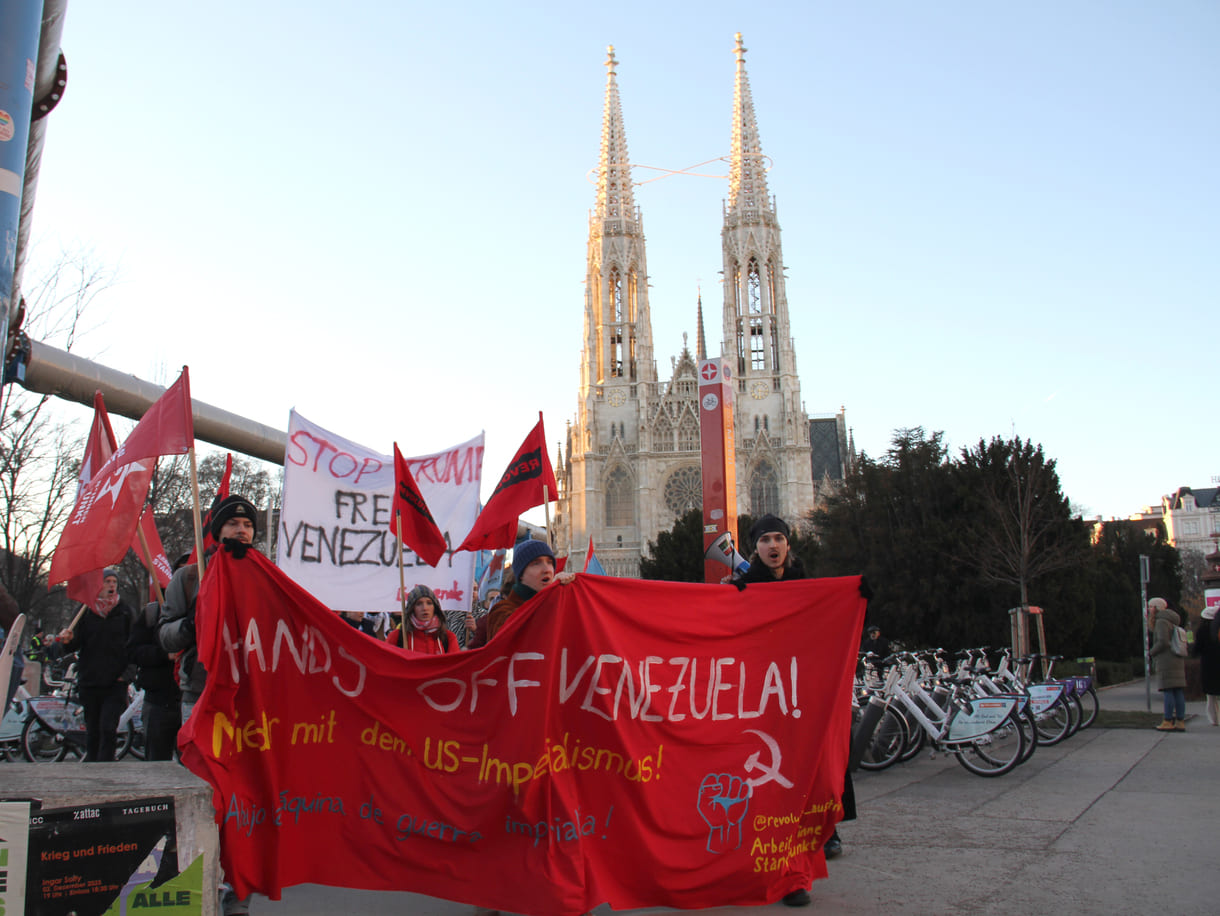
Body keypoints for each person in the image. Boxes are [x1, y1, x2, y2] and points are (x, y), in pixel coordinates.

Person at [731, 514, 855, 908]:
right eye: (765, 539)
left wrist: (857, 596)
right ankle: (786, 869)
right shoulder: (743, 586)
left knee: (812, 764)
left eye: (778, 538)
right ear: (755, 547)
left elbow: (831, 613)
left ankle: (820, 834)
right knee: (774, 778)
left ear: (788, 544)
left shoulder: (807, 582)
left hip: (804, 691)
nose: (772, 545)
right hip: (766, 695)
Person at [158, 494, 259, 916]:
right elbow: (165, 636)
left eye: (248, 525)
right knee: (204, 800)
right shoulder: (188, 578)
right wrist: (197, 617)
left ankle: (237, 898)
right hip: (200, 701)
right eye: (233, 523)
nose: (241, 530)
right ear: (217, 530)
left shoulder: (265, 576)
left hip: (251, 708)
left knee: (245, 804)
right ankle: (196, 893)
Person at [51, 568, 136, 762]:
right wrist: (67, 641)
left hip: (115, 681)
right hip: (90, 680)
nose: (111, 585)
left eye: (114, 581)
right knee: (93, 730)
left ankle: (106, 767)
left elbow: (134, 643)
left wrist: (128, 673)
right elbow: (74, 644)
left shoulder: (124, 611)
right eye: (107, 581)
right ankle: (91, 768)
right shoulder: (84, 611)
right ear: (99, 585)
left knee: (108, 727)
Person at [128, 558, 187, 761]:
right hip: (160, 703)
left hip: (194, 703)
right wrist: (164, 654)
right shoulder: (153, 613)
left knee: (193, 771)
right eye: (182, 573)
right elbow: (134, 652)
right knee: (157, 765)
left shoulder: (211, 609)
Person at [484, 539, 573, 642]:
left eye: (549, 562)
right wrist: (551, 594)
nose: (547, 569)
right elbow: (524, 632)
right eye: (536, 563)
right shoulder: (501, 611)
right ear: (521, 575)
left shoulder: (560, 603)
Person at [1147, 597, 1187, 731]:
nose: (1148, 609)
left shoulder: (1161, 621)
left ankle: (1168, 720)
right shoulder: (1171, 620)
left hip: (1166, 660)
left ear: (1156, 608)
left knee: (1168, 690)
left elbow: (1163, 641)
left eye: (1150, 606)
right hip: (1176, 658)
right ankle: (1180, 721)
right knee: (1178, 690)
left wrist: (1151, 652)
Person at [387, 585, 459, 654]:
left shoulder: (448, 638)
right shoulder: (397, 637)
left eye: (429, 603)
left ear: (435, 607)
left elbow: (455, 664)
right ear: (412, 608)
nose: (425, 608)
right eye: (419, 604)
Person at [1191, 605, 1220, 726]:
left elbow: (1197, 649)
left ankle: (1214, 719)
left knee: (1211, 695)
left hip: (1208, 665)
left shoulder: (1202, 630)